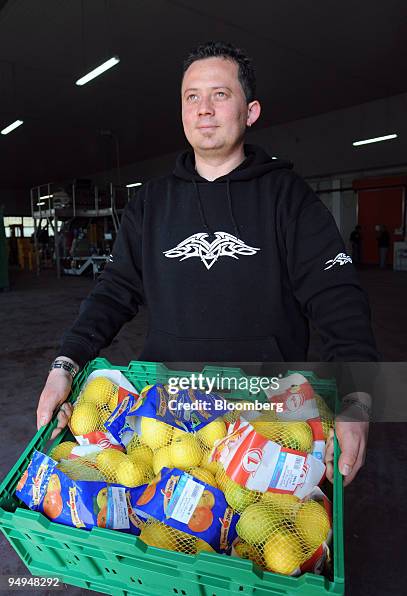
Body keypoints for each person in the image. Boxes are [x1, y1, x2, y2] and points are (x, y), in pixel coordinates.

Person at [37, 41, 378, 486]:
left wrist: (357, 401)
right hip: (166, 415)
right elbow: (113, 290)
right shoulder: (150, 203)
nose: (204, 109)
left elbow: (338, 300)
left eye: (220, 94)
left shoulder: (287, 197)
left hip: (265, 415)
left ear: (250, 111)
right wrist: (65, 363)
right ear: (181, 113)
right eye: (192, 97)